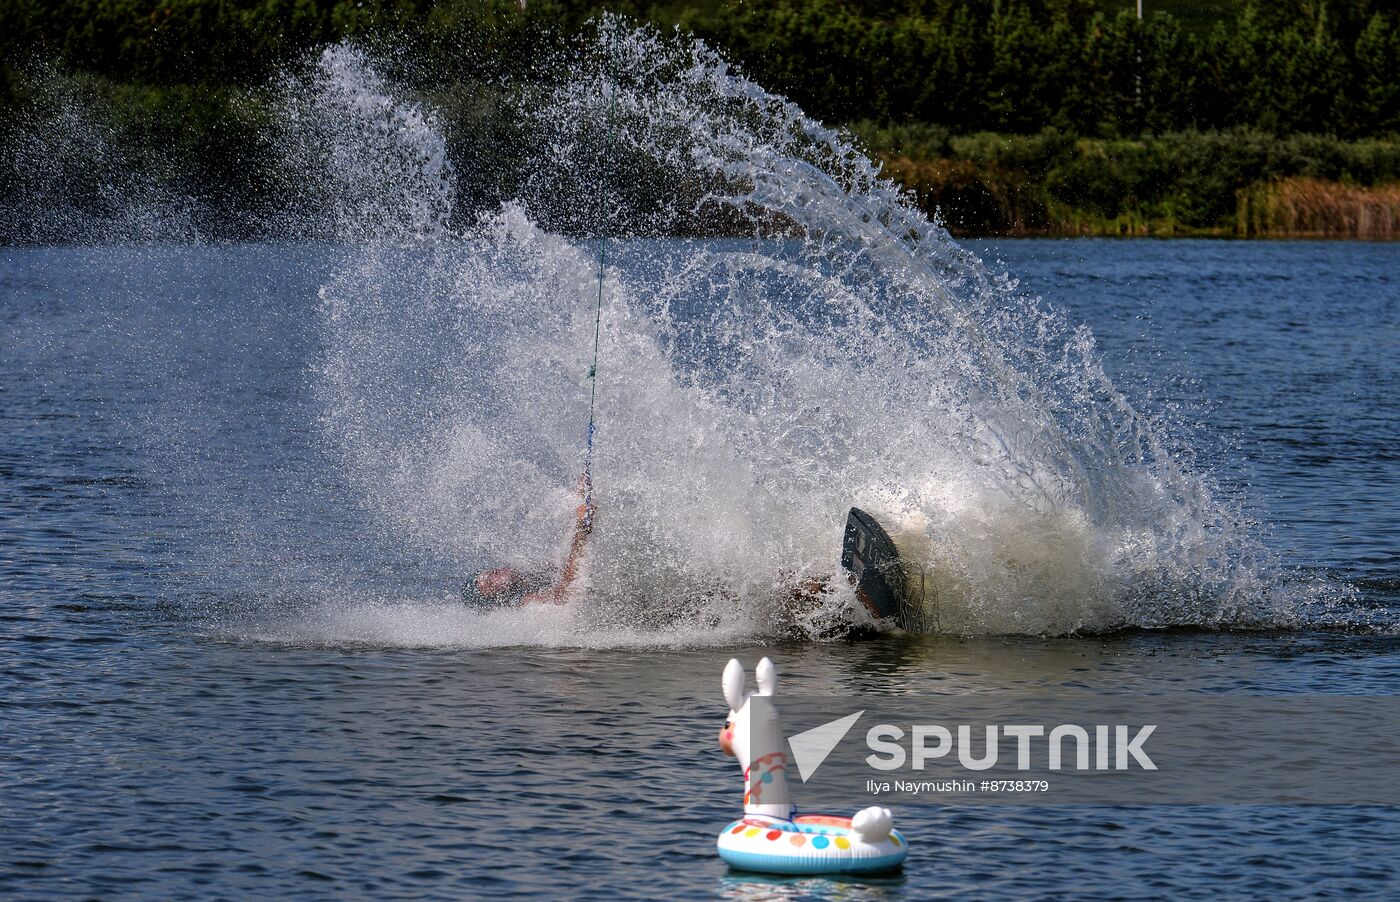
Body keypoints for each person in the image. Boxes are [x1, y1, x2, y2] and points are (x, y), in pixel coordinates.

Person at [463, 475, 596, 608]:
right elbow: (565, 593)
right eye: (490, 582)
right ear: (498, 597)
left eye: (489, 572)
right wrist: (581, 528)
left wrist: (580, 496)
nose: (495, 572)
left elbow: (564, 561)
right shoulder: (523, 602)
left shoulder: (523, 575)